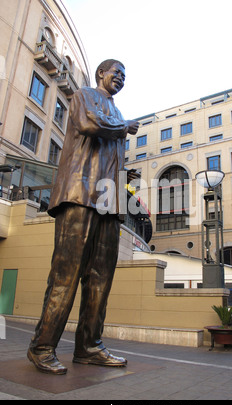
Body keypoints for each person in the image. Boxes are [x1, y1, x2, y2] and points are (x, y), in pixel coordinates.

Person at [27, 59, 139, 375]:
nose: (120, 77)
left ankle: (90, 346)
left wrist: (120, 205)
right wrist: (124, 127)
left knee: (101, 278)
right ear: (100, 73)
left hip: (108, 200)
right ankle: (42, 347)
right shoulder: (84, 95)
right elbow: (90, 124)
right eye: (116, 72)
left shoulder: (117, 114)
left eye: (124, 75)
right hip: (79, 192)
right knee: (66, 273)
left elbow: (116, 159)